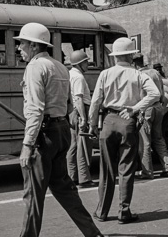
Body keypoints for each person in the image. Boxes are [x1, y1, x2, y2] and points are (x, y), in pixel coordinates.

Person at [14, 22, 102, 237]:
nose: (19, 48)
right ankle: (93, 233)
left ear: (34, 46)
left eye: (23, 43)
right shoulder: (59, 66)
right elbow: (69, 103)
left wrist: (27, 144)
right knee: (65, 190)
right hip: (60, 130)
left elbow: (35, 109)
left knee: (33, 195)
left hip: (44, 136)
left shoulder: (35, 67)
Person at [88, 37, 160, 224]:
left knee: (107, 169)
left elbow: (96, 101)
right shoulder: (138, 75)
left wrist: (92, 124)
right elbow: (155, 94)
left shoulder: (105, 74)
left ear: (115, 56)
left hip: (109, 120)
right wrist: (135, 108)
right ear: (130, 55)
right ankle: (124, 211)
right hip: (128, 120)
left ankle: (102, 211)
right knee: (126, 168)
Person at [133, 53, 168, 179]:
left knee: (145, 141)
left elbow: (141, 95)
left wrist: (140, 111)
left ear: (134, 63)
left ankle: (147, 171)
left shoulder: (139, 75)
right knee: (158, 138)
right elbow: (161, 90)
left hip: (146, 109)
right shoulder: (155, 73)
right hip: (158, 107)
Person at [66, 50, 97, 188]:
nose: (88, 64)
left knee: (73, 146)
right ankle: (84, 178)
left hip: (72, 112)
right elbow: (78, 98)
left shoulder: (69, 74)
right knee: (83, 145)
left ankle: (72, 176)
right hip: (80, 110)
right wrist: (84, 118)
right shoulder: (78, 77)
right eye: (85, 62)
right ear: (79, 64)